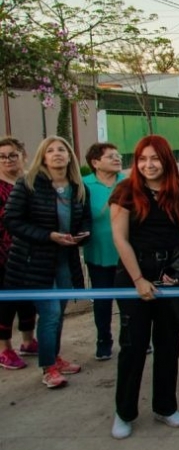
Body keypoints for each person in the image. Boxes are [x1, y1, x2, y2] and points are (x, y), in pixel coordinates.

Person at [109, 135, 179, 439]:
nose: (148, 165)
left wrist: (177, 271)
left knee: (169, 344)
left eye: (155, 158)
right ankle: (124, 412)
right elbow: (120, 239)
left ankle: (165, 406)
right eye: (142, 159)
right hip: (134, 277)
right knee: (132, 346)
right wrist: (138, 280)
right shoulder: (125, 191)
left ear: (166, 160)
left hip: (170, 276)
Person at [4, 136, 90, 388]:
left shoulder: (77, 186)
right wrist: (49, 236)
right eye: (50, 150)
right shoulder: (28, 184)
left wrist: (83, 235)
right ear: (43, 157)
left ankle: (54, 357)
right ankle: (48, 367)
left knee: (58, 313)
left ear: (70, 155)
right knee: (51, 313)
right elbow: (12, 220)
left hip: (66, 259)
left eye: (61, 149)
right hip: (34, 262)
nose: (56, 154)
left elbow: (85, 219)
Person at [83, 143, 126, 361]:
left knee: (129, 300)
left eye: (117, 155)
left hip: (127, 254)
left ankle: (132, 338)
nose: (117, 158)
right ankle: (104, 341)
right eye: (111, 156)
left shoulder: (128, 183)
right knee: (102, 301)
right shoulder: (84, 185)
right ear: (95, 162)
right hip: (98, 253)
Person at [0, 138, 36, 370]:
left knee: (29, 300)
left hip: (30, 253)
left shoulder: (31, 182)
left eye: (12, 155)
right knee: (5, 303)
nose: (8, 160)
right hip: (3, 255)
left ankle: (28, 340)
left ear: (23, 155)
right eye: (2, 156)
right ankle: (5, 349)